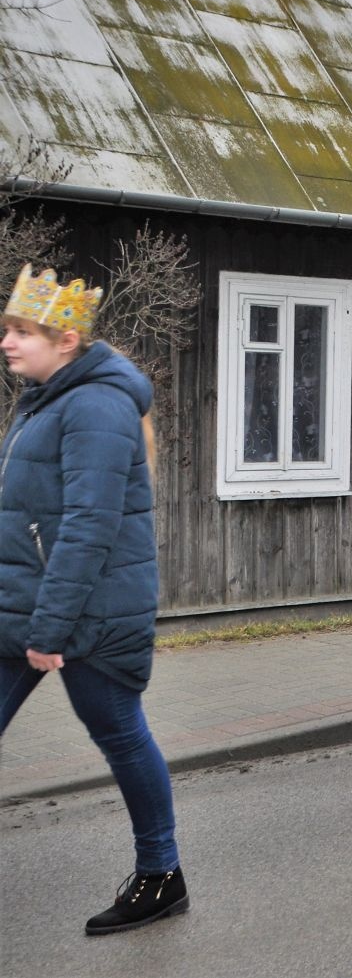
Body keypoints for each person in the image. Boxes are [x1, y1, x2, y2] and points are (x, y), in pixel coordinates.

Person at [0, 265, 189, 934]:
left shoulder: (94, 406)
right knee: (119, 732)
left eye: (22, 331)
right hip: (31, 605)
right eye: (7, 329)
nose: (7, 342)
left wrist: (49, 628)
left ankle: (161, 874)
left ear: (66, 339)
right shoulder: (47, 400)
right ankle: (162, 873)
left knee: (120, 733)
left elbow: (87, 525)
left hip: (87, 613)